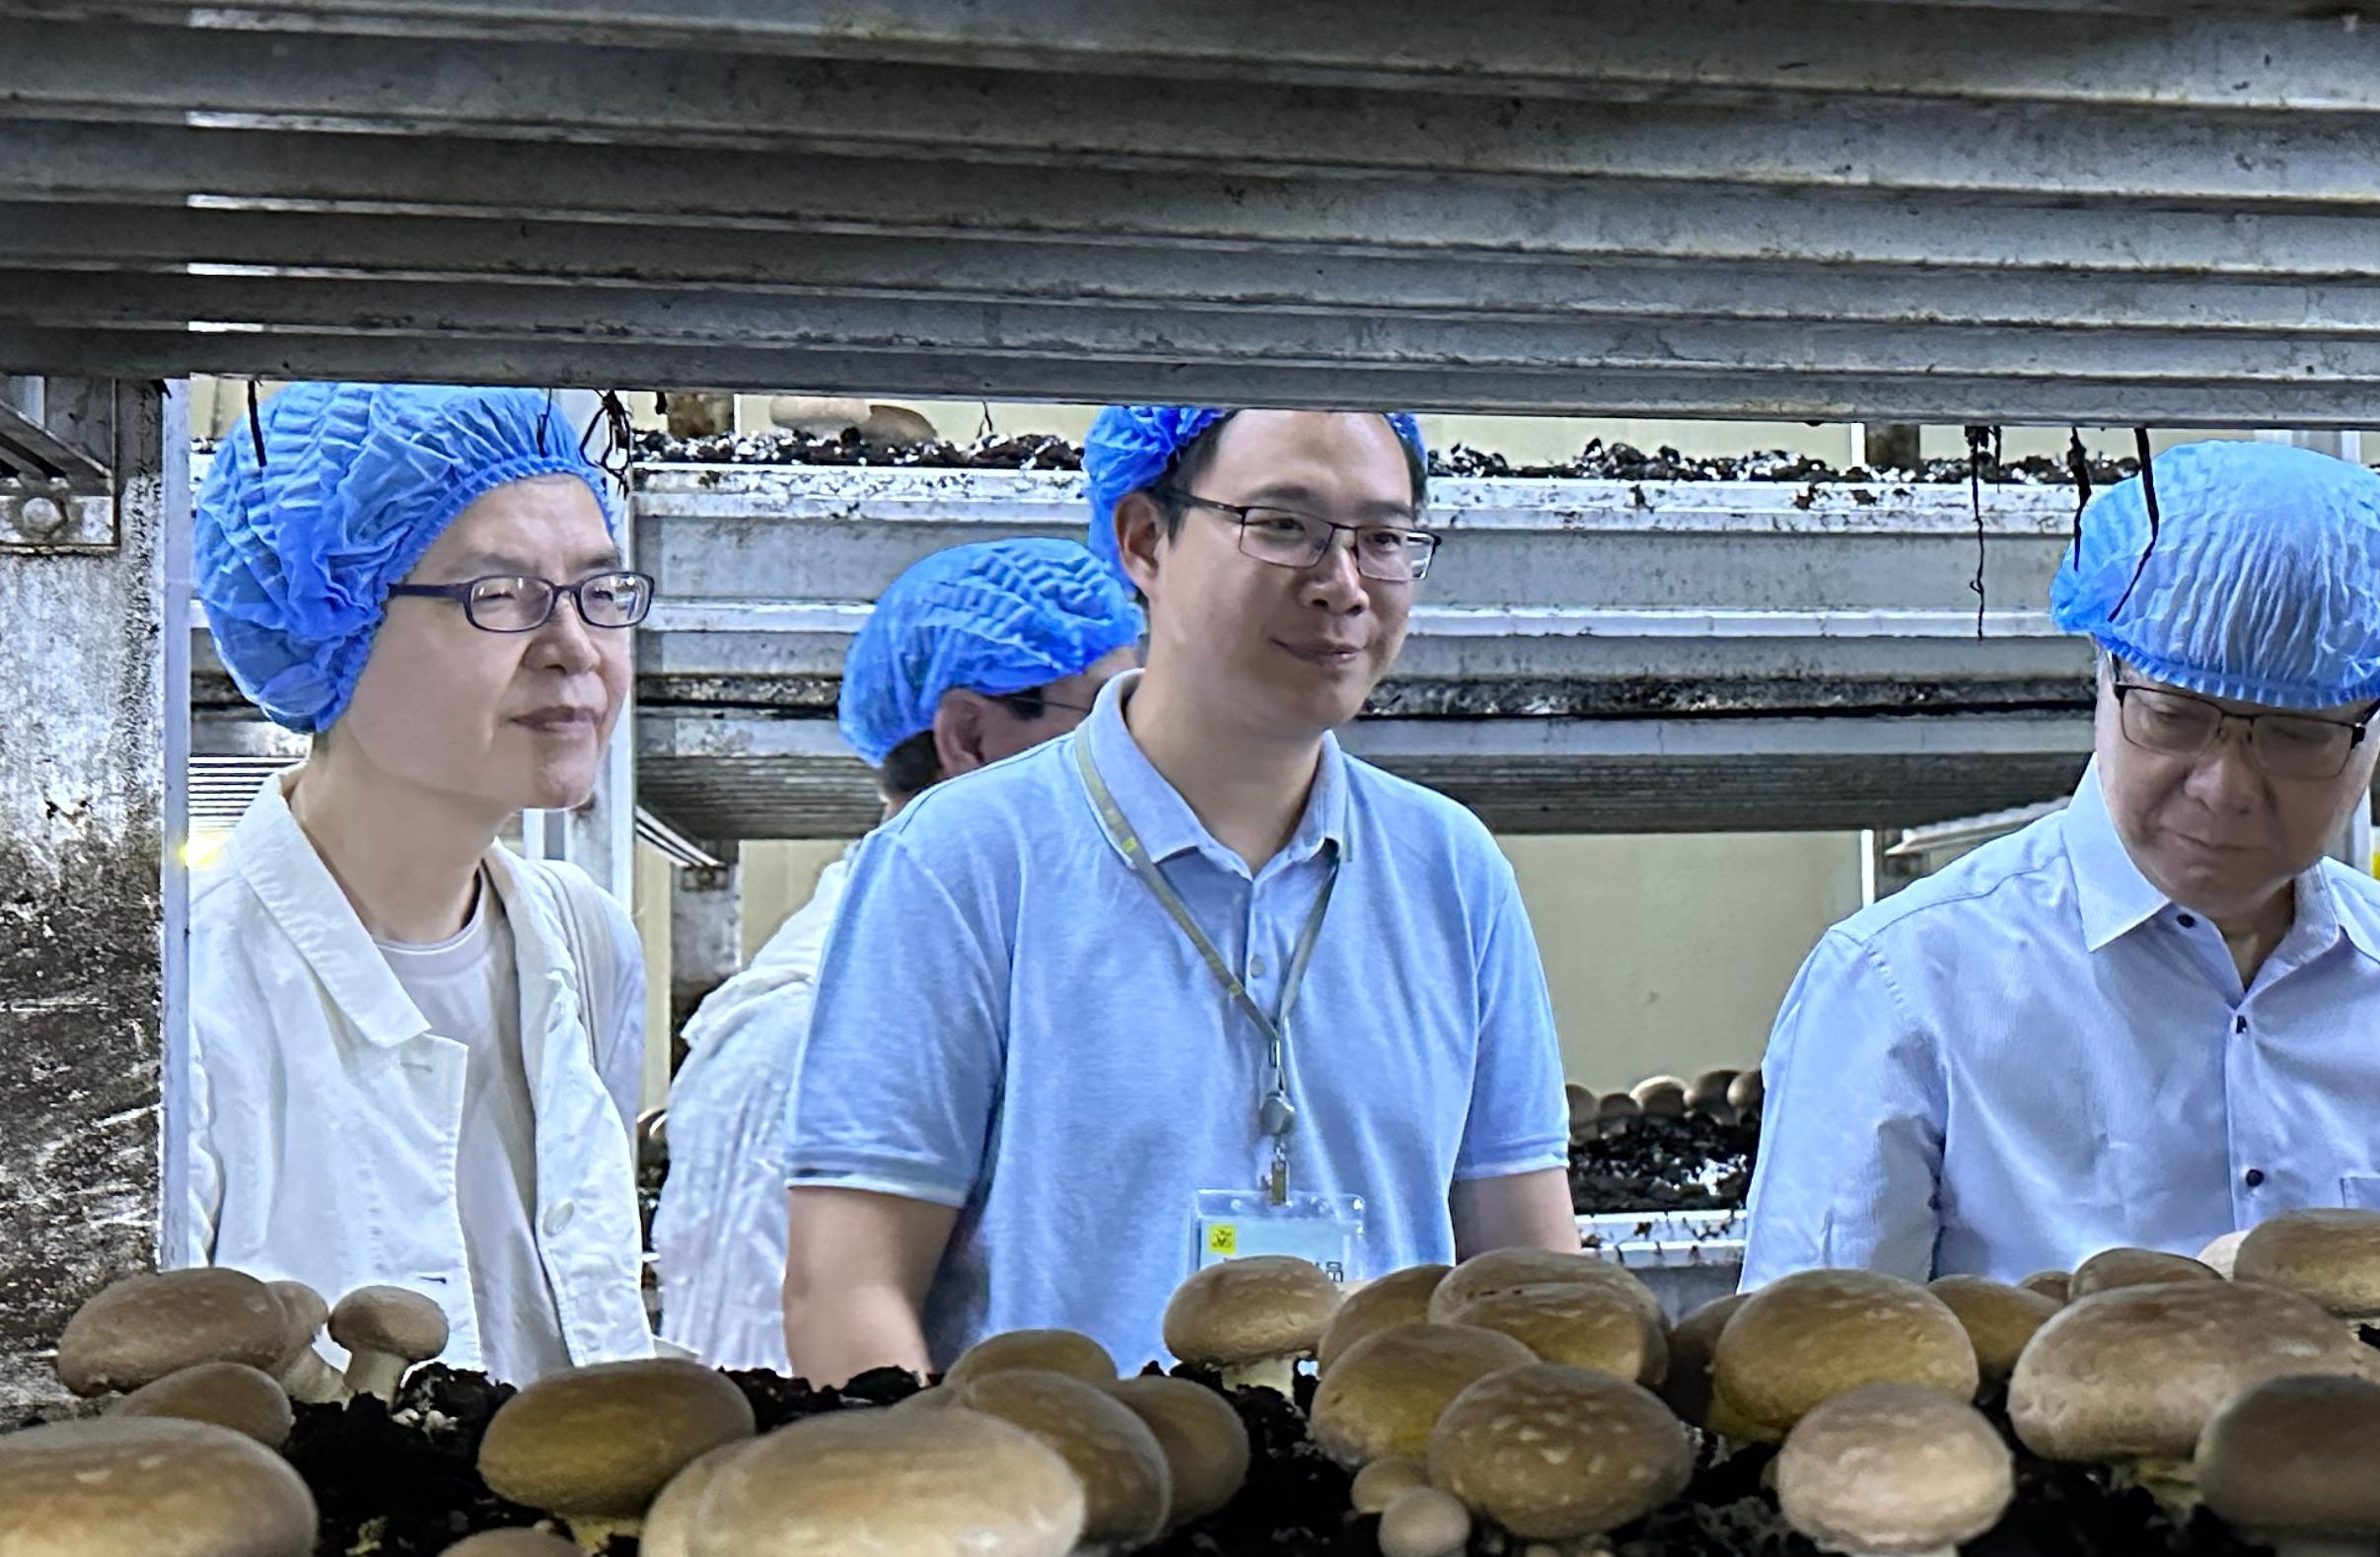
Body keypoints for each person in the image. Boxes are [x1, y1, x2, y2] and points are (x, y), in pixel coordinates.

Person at [780, 404, 1576, 1380]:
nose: (1341, 585)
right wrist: (938, 1513)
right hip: (1067, 1511)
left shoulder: (1449, 870)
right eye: (1282, 526)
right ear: (1145, 541)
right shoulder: (964, 864)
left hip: (1395, 1517)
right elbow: (847, 1288)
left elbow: (1527, 1278)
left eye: (1383, 539)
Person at [1740, 438, 2380, 1285]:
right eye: (2174, 716)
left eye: (2297, 734)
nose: (2226, 787)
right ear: (2104, 679)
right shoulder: (1903, 987)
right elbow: (1825, 1374)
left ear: (2379, 729)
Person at [183, 382, 657, 1381]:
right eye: (501, 594)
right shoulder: (185, 994)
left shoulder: (586, 940)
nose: (575, 649)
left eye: (600, 592)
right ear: (332, 614)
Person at [651, 537, 1142, 1371]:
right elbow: (765, 1388)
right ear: (970, 736)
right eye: (1104, 715)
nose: (1138, 754)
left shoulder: (1029, 982)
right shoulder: (800, 1030)